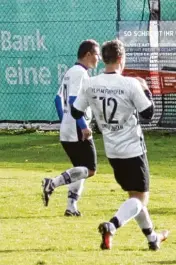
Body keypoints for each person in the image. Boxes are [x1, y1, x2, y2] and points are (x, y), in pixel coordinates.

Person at [71, 39, 168, 251]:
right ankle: (112, 225)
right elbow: (148, 115)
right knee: (140, 199)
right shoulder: (130, 84)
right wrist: (145, 89)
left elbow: (76, 112)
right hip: (132, 149)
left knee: (134, 199)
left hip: (112, 150)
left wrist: (94, 106)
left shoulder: (90, 83)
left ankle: (153, 239)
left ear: (104, 59)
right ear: (121, 59)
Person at [42, 39, 100, 217]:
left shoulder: (70, 72)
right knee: (90, 169)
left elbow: (57, 99)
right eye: (96, 54)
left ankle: (71, 207)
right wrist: (82, 125)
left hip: (68, 127)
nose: (98, 59)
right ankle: (52, 183)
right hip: (76, 128)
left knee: (79, 169)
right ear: (88, 54)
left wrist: (64, 120)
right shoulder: (80, 73)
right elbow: (74, 101)